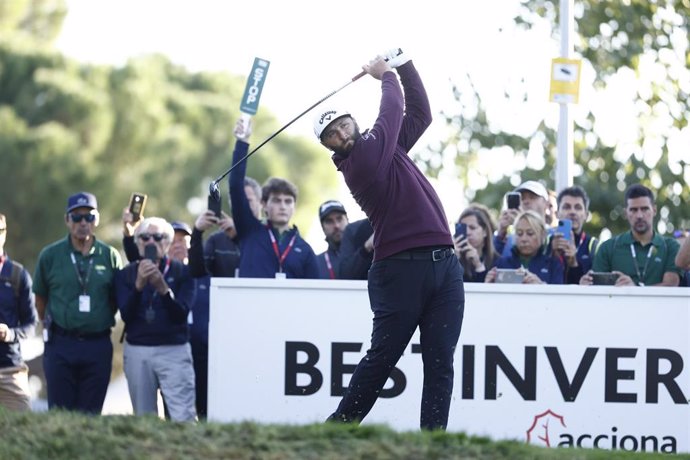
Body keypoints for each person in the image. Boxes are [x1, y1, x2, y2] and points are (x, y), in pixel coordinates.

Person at [313, 50, 464, 430]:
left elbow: (419, 115)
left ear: (352, 121)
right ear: (329, 147)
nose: (343, 133)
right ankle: (338, 429)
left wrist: (406, 64)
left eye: (344, 125)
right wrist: (385, 76)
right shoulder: (360, 164)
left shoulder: (387, 149)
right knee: (382, 357)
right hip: (399, 271)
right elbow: (391, 112)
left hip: (444, 266)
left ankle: (432, 444)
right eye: (333, 134)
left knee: (440, 362)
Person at [33, 192, 123, 414]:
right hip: (61, 344)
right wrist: (50, 325)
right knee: (59, 416)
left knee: (90, 416)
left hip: (97, 345)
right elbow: (40, 299)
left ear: (97, 220)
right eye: (77, 217)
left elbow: (117, 298)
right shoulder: (50, 255)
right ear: (67, 220)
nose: (83, 223)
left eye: (89, 217)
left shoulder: (109, 255)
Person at [114, 217, 197, 421]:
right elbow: (126, 314)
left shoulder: (183, 273)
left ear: (167, 243)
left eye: (158, 237)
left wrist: (163, 289)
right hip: (138, 350)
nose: (151, 242)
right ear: (138, 242)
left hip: (174, 350)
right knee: (144, 418)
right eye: (144, 237)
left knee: (182, 416)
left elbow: (181, 314)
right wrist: (139, 286)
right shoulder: (125, 274)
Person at [229, 119, 319, 279]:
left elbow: (316, 295)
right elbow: (236, 185)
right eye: (276, 200)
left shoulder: (304, 249)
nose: (283, 206)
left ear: (294, 207)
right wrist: (242, 141)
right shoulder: (249, 230)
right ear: (264, 204)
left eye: (288, 201)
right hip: (251, 303)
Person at [582, 184, 681, 287]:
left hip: (660, 304)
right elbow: (598, 289)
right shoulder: (608, 248)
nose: (639, 215)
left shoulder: (671, 246)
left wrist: (635, 290)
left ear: (654, 210)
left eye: (644, 209)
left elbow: (671, 285)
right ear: (625, 213)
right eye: (633, 210)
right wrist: (586, 285)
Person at [0, 213, 38, 411]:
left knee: (23, 427)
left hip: (10, 369)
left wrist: (10, 333)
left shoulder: (17, 274)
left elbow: (31, 325)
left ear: (4, 235)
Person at [485, 210, 564, 284]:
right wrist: (488, 284)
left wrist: (541, 286)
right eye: (519, 234)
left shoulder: (553, 264)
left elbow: (560, 296)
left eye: (530, 233)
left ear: (542, 234)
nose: (524, 239)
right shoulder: (502, 264)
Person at [551, 186, 598, 284]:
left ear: (586, 215)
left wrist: (573, 264)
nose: (572, 212)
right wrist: (551, 256)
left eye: (578, 207)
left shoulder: (594, 247)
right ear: (557, 214)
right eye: (567, 207)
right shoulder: (545, 243)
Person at [495, 180, 550, 257]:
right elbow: (493, 263)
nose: (526, 202)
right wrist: (501, 233)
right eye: (522, 198)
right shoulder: (509, 237)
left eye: (532, 197)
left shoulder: (554, 235)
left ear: (546, 204)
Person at [453, 204, 498, 283]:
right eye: (463, 228)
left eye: (472, 228)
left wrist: (479, 266)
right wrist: (452, 261)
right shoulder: (454, 258)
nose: (468, 232)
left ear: (485, 232)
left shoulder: (497, 261)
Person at [316, 200, 349, 279]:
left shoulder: (365, 256)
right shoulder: (315, 263)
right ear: (323, 227)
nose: (336, 225)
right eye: (329, 221)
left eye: (339, 219)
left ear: (347, 220)